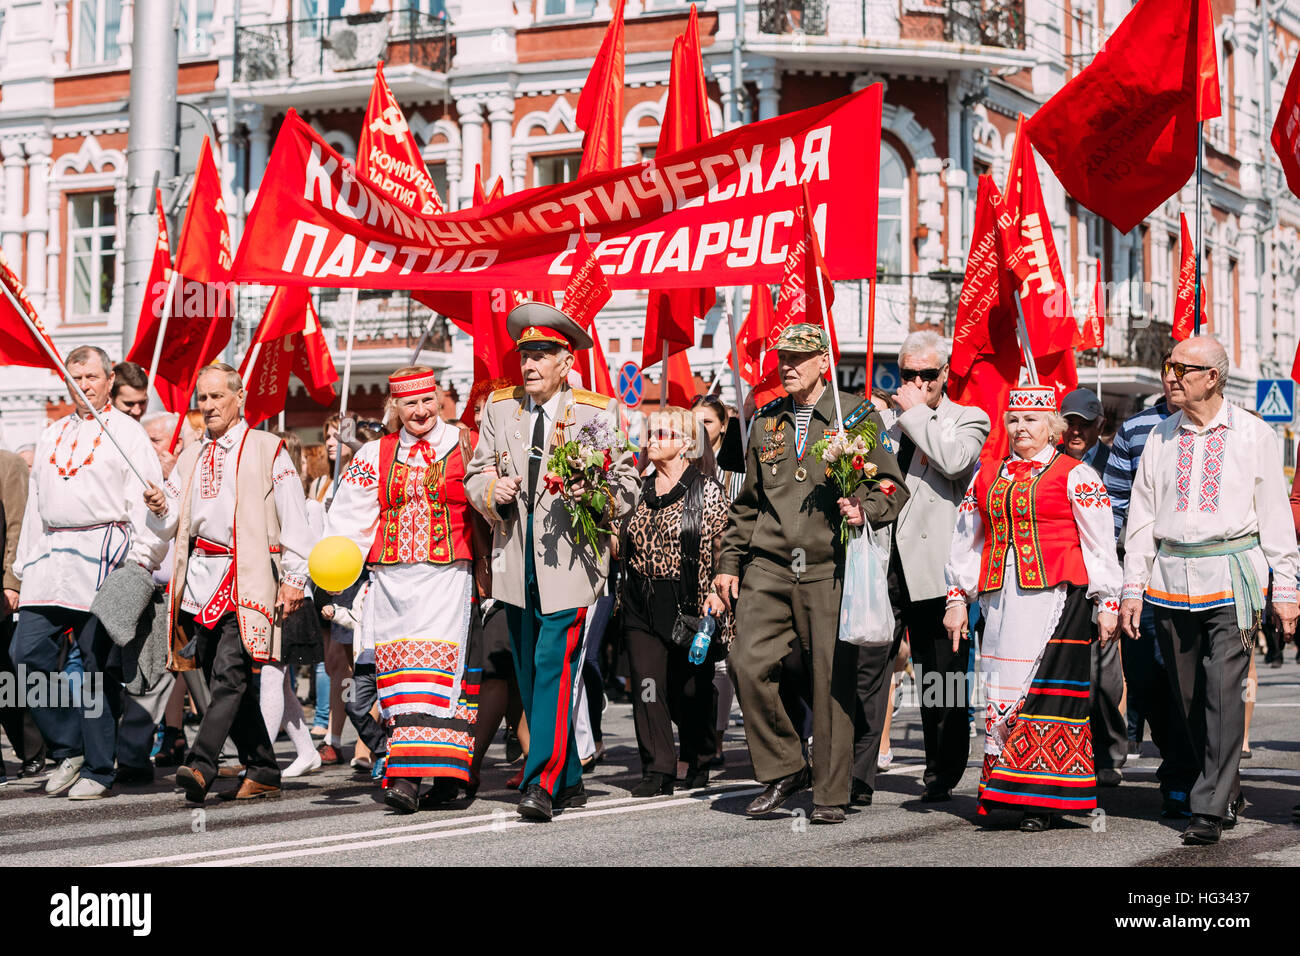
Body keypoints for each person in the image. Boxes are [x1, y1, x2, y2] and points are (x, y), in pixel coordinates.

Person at [714, 324, 907, 824]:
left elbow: (891, 484)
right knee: (746, 662)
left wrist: (864, 507)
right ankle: (784, 766)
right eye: (783, 357)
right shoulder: (766, 422)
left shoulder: (856, 415)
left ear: (824, 360)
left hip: (828, 570)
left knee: (830, 680)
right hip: (770, 567)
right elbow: (748, 504)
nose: (788, 365)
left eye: (800, 357)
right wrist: (729, 562)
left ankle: (829, 794)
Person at [1120, 336, 1300, 845]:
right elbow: (1141, 519)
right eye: (1168, 365)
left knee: (1222, 692)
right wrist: (1134, 586)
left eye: (1182, 367)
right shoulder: (1159, 437)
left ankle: (1208, 809)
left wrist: (1285, 585)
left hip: (1232, 580)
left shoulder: (1254, 434)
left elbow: (1274, 516)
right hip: (1172, 581)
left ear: (1213, 377)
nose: (1170, 375)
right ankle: (1226, 789)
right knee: (1188, 697)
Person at [465, 302, 639, 822]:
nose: (531, 365)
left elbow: (627, 485)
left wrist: (595, 492)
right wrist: (492, 489)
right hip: (515, 564)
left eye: (543, 355)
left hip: (570, 567)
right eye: (526, 355)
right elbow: (475, 475)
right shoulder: (501, 409)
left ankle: (540, 780)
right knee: (526, 668)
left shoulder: (596, 411)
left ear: (567, 362)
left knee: (552, 669)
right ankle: (569, 779)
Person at [944, 385, 1122, 832]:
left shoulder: (1076, 475)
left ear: (1053, 428)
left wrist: (1108, 602)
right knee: (1002, 691)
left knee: (1045, 694)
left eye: (1032, 420)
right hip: (1000, 599)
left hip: (1057, 600)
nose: (1022, 429)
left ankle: (1041, 799)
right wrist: (957, 599)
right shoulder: (988, 475)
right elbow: (968, 539)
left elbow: (1100, 542)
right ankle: (1005, 791)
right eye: (1015, 420)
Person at [143, 364, 314, 803]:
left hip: (249, 577)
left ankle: (201, 763)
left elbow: (295, 519)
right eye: (203, 398)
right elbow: (170, 524)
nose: (210, 405)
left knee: (231, 675)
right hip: (200, 579)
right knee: (225, 677)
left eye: (218, 396)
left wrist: (296, 578)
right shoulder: (190, 456)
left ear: (240, 398)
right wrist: (160, 503)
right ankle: (262, 769)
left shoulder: (268, 449)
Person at [11, 345, 166, 799]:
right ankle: (68, 747)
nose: (84, 385)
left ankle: (100, 768)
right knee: (25, 658)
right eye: (75, 378)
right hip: (50, 557)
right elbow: (36, 508)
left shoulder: (128, 433)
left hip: (105, 554)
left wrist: (143, 559)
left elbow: (151, 500)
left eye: (92, 377)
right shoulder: (51, 433)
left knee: (97, 665)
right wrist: (19, 571)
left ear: (109, 377)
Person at [325, 367, 481, 813]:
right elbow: (349, 517)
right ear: (395, 406)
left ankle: (420, 779)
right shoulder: (376, 453)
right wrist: (337, 570)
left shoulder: (465, 444)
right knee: (398, 684)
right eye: (409, 403)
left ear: (438, 398)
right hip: (392, 582)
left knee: (436, 682)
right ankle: (415, 773)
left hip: (447, 578)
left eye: (427, 400)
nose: (420, 411)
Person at [866, 330, 989, 805]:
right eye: (908, 374)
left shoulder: (967, 418)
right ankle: (859, 767)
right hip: (883, 560)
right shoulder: (886, 421)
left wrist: (914, 411)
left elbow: (953, 461)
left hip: (937, 568)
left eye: (926, 375)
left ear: (944, 375)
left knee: (941, 675)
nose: (916, 382)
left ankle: (943, 766)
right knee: (869, 664)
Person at [620, 407, 732, 796]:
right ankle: (658, 768)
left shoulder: (707, 489)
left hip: (688, 602)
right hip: (640, 599)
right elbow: (621, 540)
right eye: (650, 434)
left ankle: (699, 757)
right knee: (647, 683)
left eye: (664, 435)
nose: (653, 440)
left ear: (686, 444)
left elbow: (725, 545)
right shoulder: (638, 488)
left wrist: (717, 595)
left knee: (689, 689)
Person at [1060, 387, 1126, 788]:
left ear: (1099, 424)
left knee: (1103, 678)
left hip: (1104, 580)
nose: (1076, 431)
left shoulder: (1111, 464)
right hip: (1063, 582)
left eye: (1084, 423)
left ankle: (1110, 751)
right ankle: (1072, 755)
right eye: (1069, 422)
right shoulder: (1049, 463)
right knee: (1067, 675)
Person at [0, 444, 44, 782]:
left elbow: (17, 524)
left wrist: (12, 581)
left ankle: (32, 747)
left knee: (9, 675)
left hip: (3, 581)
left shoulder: (9, 464)